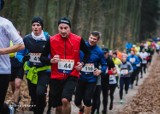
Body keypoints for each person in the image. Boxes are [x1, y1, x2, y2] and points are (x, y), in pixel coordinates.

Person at [40, 17, 90, 114]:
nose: (63, 31)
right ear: (58, 28)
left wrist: (82, 64)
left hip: (72, 74)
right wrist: (51, 61)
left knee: (65, 100)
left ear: (70, 28)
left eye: (65, 28)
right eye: (61, 28)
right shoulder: (51, 40)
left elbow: (87, 53)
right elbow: (42, 57)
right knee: (58, 107)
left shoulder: (78, 39)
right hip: (56, 76)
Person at [16, 16, 50, 114]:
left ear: (41, 27)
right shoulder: (26, 39)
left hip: (44, 70)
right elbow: (19, 53)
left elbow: (52, 54)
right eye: (33, 25)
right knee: (33, 94)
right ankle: (38, 105)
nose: (35, 27)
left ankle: (39, 110)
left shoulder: (49, 39)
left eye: (38, 25)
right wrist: (23, 58)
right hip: (31, 70)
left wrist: (48, 60)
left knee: (40, 93)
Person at [0, 0, 25, 113]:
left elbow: (20, 45)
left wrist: (1, 51)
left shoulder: (5, 24)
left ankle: (8, 110)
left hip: (2, 70)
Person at [74, 31, 107, 114]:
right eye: (91, 38)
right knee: (77, 101)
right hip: (80, 77)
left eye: (94, 39)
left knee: (87, 100)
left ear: (97, 40)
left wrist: (100, 71)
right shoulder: (81, 46)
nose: (92, 40)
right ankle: (81, 109)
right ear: (89, 37)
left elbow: (104, 65)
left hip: (91, 79)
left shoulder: (99, 51)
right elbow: (74, 57)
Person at [9, 30, 24, 110]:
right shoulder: (9, 42)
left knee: (17, 84)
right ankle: (17, 98)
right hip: (10, 65)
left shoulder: (23, 43)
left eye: (18, 35)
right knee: (12, 85)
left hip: (20, 66)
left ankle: (14, 105)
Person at [101, 48, 116, 114]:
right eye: (103, 53)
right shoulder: (98, 59)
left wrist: (111, 72)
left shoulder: (110, 61)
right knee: (96, 96)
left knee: (105, 96)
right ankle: (96, 109)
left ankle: (104, 109)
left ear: (108, 53)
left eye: (105, 53)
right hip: (98, 80)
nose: (104, 54)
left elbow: (115, 70)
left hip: (106, 81)